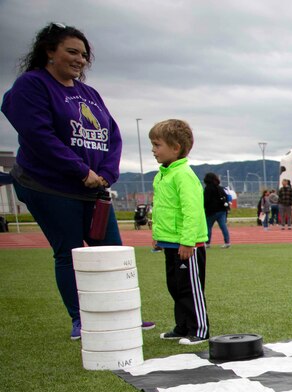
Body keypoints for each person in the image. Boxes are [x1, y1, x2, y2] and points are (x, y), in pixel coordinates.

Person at [1, 23, 154, 340]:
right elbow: (39, 136)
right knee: (69, 252)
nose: (80, 60)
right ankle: (80, 319)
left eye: (84, 55)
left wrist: (107, 174)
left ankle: (120, 313)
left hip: (94, 190)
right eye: (72, 52)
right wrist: (80, 170)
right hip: (49, 186)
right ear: (50, 52)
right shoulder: (32, 85)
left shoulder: (89, 94)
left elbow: (112, 136)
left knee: (111, 252)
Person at [149, 119, 209, 345]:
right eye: (152, 145)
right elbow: (163, 208)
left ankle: (200, 329)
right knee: (175, 286)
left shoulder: (184, 174)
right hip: (170, 243)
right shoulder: (163, 175)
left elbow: (192, 210)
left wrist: (188, 241)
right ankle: (182, 326)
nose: (154, 150)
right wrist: (158, 235)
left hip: (188, 246)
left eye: (157, 145)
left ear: (176, 148)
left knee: (190, 288)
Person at [203, 172, 231, 247]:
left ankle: (207, 243)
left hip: (211, 211)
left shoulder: (208, 188)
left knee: (208, 227)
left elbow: (206, 200)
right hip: (222, 210)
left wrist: (204, 207)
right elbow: (226, 198)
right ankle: (227, 242)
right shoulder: (220, 188)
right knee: (223, 226)